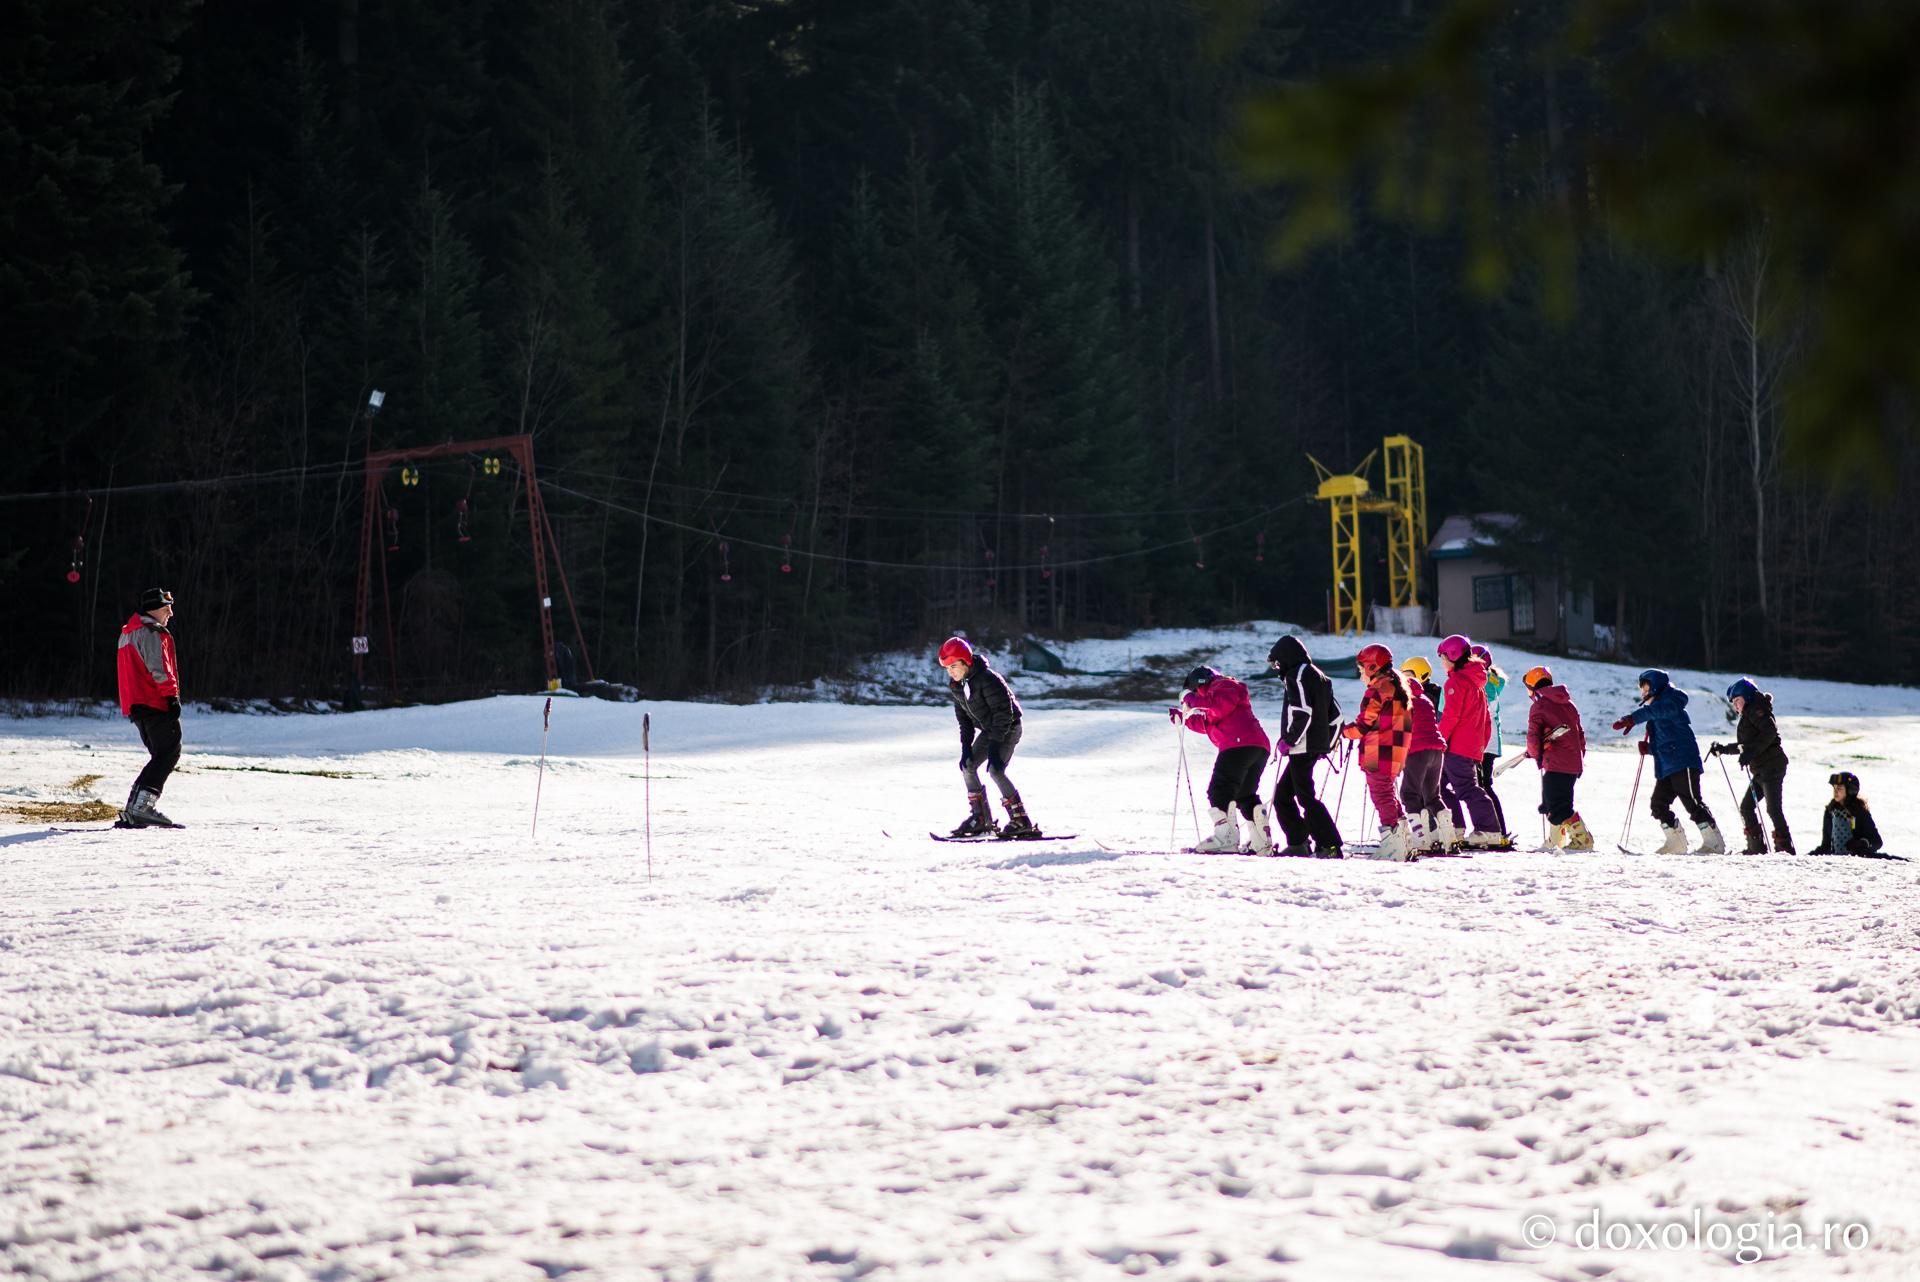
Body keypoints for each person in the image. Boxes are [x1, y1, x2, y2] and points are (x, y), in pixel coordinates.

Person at [1612, 669, 1723, 853]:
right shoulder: (1656, 714)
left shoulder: (1671, 702)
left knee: (1692, 802)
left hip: (1683, 761)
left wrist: (1632, 719)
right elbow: (1664, 742)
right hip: (1667, 766)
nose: (1643, 695)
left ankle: (1714, 843)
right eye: (1642, 691)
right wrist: (1649, 749)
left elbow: (1655, 711)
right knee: (1658, 804)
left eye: (1646, 690)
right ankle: (1676, 843)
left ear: (1656, 688)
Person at [941, 637, 1038, 838]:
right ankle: (981, 819)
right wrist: (966, 747)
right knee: (968, 766)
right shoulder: (957, 685)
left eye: (953, 666)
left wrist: (994, 747)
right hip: (989, 730)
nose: (950, 672)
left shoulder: (988, 679)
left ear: (966, 662)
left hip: (1009, 728)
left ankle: (1021, 821)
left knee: (995, 770)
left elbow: (1004, 713)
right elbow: (964, 720)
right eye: (947, 668)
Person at [1173, 666, 1272, 853]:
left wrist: (1189, 698)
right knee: (1244, 794)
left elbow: (1218, 708)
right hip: (1255, 745)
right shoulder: (1216, 696)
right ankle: (1261, 841)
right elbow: (1209, 721)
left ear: (1198, 684)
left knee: (1219, 789)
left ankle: (1226, 838)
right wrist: (1183, 718)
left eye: (1193, 693)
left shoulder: (1222, 684)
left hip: (1239, 743)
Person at [116, 587, 184, 828]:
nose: (171, 613)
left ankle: (135, 807)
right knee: (168, 753)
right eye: (166, 609)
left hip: (136, 705)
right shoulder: (151, 632)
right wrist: (171, 697)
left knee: (160, 755)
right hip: (154, 701)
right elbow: (160, 667)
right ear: (153, 609)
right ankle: (143, 807)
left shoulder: (128, 633)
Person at [1268, 635, 1343, 857]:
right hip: (1311, 747)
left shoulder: (1297, 675)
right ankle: (1299, 843)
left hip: (1301, 747)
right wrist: (1326, 744)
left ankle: (1329, 845)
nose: (1277, 668)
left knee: (1306, 798)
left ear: (1286, 657)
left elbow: (1303, 712)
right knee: (1282, 796)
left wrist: (1288, 741)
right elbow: (1337, 717)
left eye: (1277, 663)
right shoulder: (1319, 675)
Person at [1341, 644, 1413, 859]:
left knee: (1382, 796)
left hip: (1378, 752)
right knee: (1388, 795)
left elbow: (1363, 726)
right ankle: (1403, 840)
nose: (1360, 673)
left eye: (1361, 668)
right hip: (1396, 753)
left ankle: (1393, 845)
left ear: (1373, 666)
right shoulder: (1398, 688)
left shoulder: (1376, 691)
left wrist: (1340, 732)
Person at [1435, 634, 1507, 846]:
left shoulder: (1456, 682)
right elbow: (1486, 720)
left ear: (1454, 656)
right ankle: (1455, 827)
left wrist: (1439, 740)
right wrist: (1480, 745)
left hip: (1455, 746)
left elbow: (1450, 716)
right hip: (1467, 746)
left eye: (1443, 658)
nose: (1442, 663)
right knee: (1437, 787)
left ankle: (1488, 830)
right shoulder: (1476, 683)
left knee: (1467, 787)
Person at [1708, 677, 1792, 853]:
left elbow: (1770, 731)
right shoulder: (1749, 714)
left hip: (1772, 767)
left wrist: (1752, 752)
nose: (1735, 705)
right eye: (1733, 702)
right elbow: (1745, 746)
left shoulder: (1757, 710)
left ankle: (1784, 850)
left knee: (1773, 809)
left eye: (1737, 700)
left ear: (1747, 696)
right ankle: (1756, 848)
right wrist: (1723, 749)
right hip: (1761, 770)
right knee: (1746, 807)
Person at [1521, 666, 1592, 850]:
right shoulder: (1569, 704)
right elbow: (1580, 734)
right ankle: (1556, 840)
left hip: (1556, 763)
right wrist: (1577, 757)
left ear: (1532, 687)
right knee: (1553, 801)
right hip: (1572, 763)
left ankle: (1582, 839)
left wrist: (1535, 754)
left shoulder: (1539, 705)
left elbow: (1533, 735)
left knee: (1558, 806)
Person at [1399, 659, 1446, 852]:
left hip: (1417, 751)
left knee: (1409, 794)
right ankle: (1448, 835)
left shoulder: (1407, 701)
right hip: (1437, 750)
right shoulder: (1427, 699)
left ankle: (1419, 837)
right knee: (1433, 796)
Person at [1471, 644, 1511, 834]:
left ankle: (1495, 829)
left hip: (1485, 741)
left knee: (1483, 786)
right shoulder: (1489, 680)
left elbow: (1487, 710)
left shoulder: (1486, 681)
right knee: (1482, 785)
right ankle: (1495, 829)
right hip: (1486, 739)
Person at [1810, 771, 1882, 855]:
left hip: (1859, 857)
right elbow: (1826, 845)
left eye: (1839, 788)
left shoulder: (1860, 811)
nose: (1835, 792)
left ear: (1851, 790)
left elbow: (1877, 842)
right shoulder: (1830, 812)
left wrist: (1862, 843)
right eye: (1834, 788)